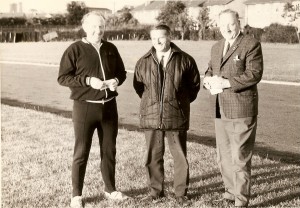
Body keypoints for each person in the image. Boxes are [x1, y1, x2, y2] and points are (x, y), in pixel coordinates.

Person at [57, 11, 128, 208]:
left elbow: (122, 73)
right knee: (81, 152)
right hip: (85, 108)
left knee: (109, 151)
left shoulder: (110, 48)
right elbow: (63, 77)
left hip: (109, 108)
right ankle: (76, 195)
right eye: (94, 27)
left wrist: (115, 81)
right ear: (85, 28)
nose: (98, 30)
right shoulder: (75, 49)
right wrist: (88, 81)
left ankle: (110, 190)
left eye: (101, 27)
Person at [133, 24, 200, 206]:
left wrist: (178, 104)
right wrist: (154, 104)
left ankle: (181, 193)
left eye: (161, 37)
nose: (158, 42)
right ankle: (156, 192)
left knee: (180, 157)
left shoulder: (185, 60)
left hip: (176, 116)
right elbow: (139, 87)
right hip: (151, 117)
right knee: (153, 157)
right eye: (154, 39)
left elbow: (194, 87)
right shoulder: (143, 61)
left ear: (169, 37)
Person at [203, 9, 263, 207]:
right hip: (220, 109)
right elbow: (211, 69)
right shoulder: (216, 46)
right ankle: (230, 193)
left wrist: (225, 83)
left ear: (239, 22)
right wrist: (207, 80)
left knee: (240, 157)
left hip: (241, 110)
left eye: (230, 24)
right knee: (224, 157)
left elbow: (254, 74)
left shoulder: (251, 44)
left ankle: (241, 200)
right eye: (222, 25)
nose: (227, 28)